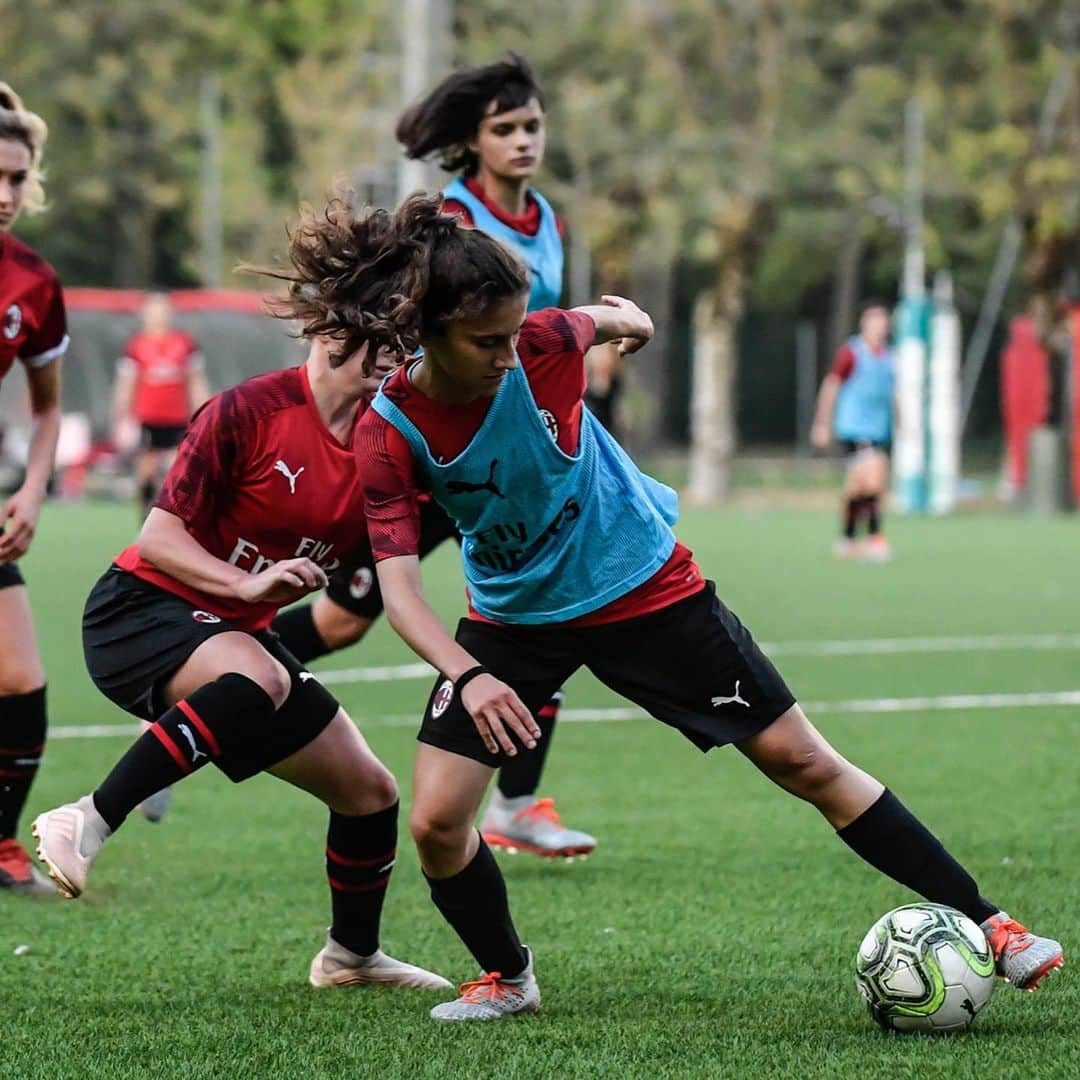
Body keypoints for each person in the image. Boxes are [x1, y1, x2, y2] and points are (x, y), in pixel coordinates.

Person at [318, 193, 1056, 1020]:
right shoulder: (389, 432)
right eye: (486, 342)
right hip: (511, 620)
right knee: (436, 823)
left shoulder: (545, 340)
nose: (506, 357)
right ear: (429, 332)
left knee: (805, 762)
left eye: (514, 334)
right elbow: (401, 593)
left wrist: (632, 325)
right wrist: (470, 675)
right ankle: (509, 978)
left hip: (641, 585)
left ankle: (992, 924)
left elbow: (620, 317)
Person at [30, 206, 452, 989]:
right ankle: (86, 818)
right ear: (336, 333)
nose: (403, 359)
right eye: (390, 341)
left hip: (233, 637)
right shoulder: (246, 411)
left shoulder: (383, 445)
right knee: (258, 676)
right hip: (138, 613)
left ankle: (350, 958)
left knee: (368, 793)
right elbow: (158, 538)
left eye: (409, 344)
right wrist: (246, 584)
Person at [274, 53, 597, 862]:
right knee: (344, 620)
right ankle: (222, 682)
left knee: (543, 604)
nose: (524, 141)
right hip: (438, 455)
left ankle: (518, 803)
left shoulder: (544, 216)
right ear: (473, 142)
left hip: (513, 453)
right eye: (505, 129)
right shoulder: (448, 221)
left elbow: (541, 329)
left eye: (533, 125)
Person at [0, 83, 69, 897]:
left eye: (19, 177)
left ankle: (2, 844)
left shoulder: (31, 281)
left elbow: (47, 411)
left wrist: (32, 491)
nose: (7, 194)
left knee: (19, 678)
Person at [112, 292, 210, 519]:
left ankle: (174, 517)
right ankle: (145, 517)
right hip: (148, 418)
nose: (158, 316)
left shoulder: (185, 344)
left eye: (163, 311)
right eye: (153, 311)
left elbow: (196, 382)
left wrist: (205, 413)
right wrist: (121, 419)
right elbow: (126, 385)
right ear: (144, 314)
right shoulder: (136, 346)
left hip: (178, 418)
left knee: (179, 470)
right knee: (146, 470)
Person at [811, 302, 895, 561]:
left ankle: (847, 538)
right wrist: (822, 423)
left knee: (859, 488)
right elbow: (831, 385)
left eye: (883, 321)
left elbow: (891, 394)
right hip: (855, 426)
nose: (879, 326)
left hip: (879, 428)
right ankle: (875, 538)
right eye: (874, 321)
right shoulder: (852, 352)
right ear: (864, 324)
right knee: (876, 476)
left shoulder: (890, 357)